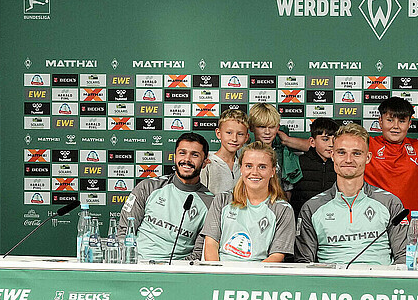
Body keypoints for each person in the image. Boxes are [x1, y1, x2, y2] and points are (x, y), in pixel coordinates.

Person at [296, 123, 407, 265]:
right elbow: (303, 264)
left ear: (368, 157)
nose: (348, 159)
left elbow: (403, 258)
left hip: (379, 284)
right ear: (332, 155)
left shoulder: (390, 203)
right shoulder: (311, 207)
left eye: (356, 153)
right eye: (341, 152)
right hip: (330, 285)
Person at [117, 133, 215, 261]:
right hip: (138, 265)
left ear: (205, 161)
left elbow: (199, 253)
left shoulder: (210, 203)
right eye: (182, 153)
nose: (187, 160)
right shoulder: (148, 187)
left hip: (177, 273)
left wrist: (174, 269)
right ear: (174, 157)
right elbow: (124, 232)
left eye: (195, 155)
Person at [202, 141, 296, 262]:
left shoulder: (283, 209)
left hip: (260, 276)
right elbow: (210, 244)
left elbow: (277, 256)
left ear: (273, 171)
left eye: (262, 167)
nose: (255, 172)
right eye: (248, 166)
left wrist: (250, 279)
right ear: (241, 168)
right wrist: (218, 275)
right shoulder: (222, 200)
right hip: (222, 273)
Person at [364, 96, 418, 222]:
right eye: (389, 120)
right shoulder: (366, 145)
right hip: (374, 222)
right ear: (380, 121)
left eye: (402, 121)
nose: (395, 126)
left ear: (409, 123)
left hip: (410, 224)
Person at [247, 103, 308, 205]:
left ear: (277, 128)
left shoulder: (284, 154)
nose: (267, 132)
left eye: (271, 127)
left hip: (278, 207)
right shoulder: (244, 152)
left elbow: (287, 190)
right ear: (252, 128)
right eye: (262, 127)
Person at [290, 117, 337, 216]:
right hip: (303, 220)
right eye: (325, 139)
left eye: (334, 139)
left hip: (333, 220)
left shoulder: (341, 164)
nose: (331, 144)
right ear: (312, 142)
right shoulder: (299, 162)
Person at [201, 108, 250, 195]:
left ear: (246, 137)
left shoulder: (245, 165)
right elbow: (201, 197)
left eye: (240, 134)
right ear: (218, 133)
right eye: (229, 133)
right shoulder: (207, 164)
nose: (234, 139)